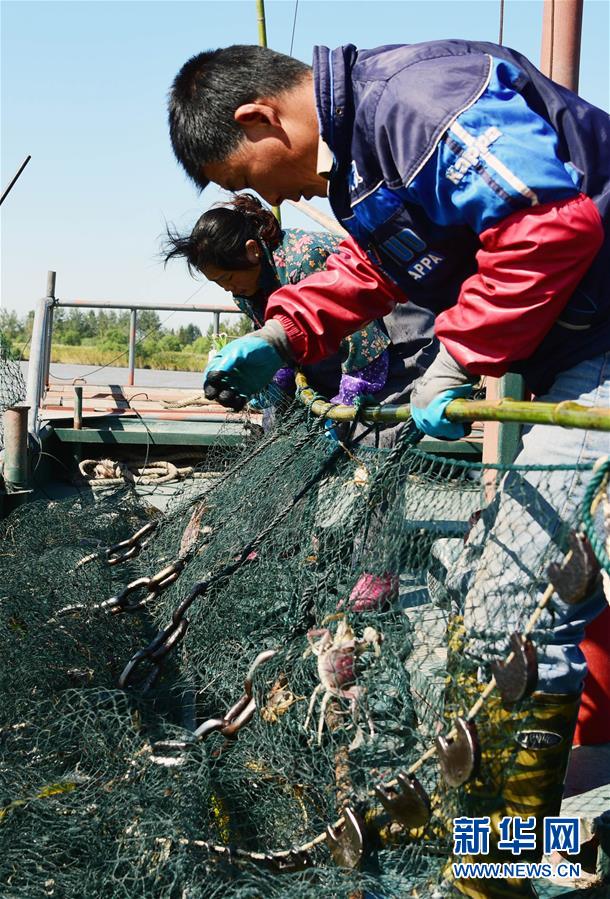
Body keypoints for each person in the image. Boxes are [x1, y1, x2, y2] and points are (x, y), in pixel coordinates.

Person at [167, 41, 609, 896]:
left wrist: (457, 356)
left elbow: (551, 226)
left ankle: (495, 871)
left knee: (517, 603)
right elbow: (377, 264)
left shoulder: (416, 103)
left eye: (244, 175)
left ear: (259, 118)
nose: (268, 200)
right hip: (577, 349)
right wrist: (282, 333)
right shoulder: (365, 156)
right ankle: (504, 844)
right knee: (492, 604)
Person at [164, 192, 437, 442]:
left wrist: (346, 400)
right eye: (218, 283)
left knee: (370, 434)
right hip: (337, 353)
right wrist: (273, 382)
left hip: (393, 331)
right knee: (280, 426)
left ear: (252, 250)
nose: (226, 288)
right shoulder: (244, 292)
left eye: (227, 277)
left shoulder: (305, 258)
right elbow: (283, 349)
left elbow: (363, 338)